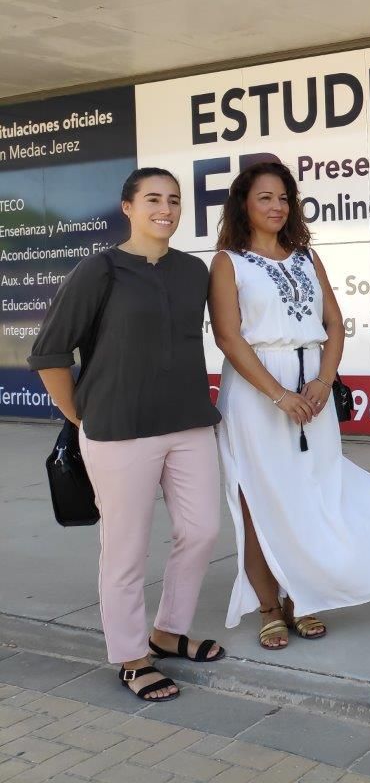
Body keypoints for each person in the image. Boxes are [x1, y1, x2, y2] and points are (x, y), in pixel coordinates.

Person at [210, 162, 370, 648]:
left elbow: (335, 324)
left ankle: (302, 598)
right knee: (260, 499)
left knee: (314, 494)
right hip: (256, 397)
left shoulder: (307, 258)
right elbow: (229, 337)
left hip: (313, 391)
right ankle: (269, 605)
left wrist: (322, 381)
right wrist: (279, 394)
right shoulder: (228, 262)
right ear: (244, 204)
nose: (276, 206)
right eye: (265, 197)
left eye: (283, 198)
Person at [30, 168, 223, 702]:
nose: (166, 208)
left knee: (203, 529)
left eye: (174, 200)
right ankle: (131, 655)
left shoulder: (192, 271)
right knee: (126, 549)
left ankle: (167, 632)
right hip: (118, 431)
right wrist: (81, 415)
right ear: (128, 208)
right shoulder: (101, 269)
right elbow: (49, 350)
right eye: (154, 199)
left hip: (188, 422)